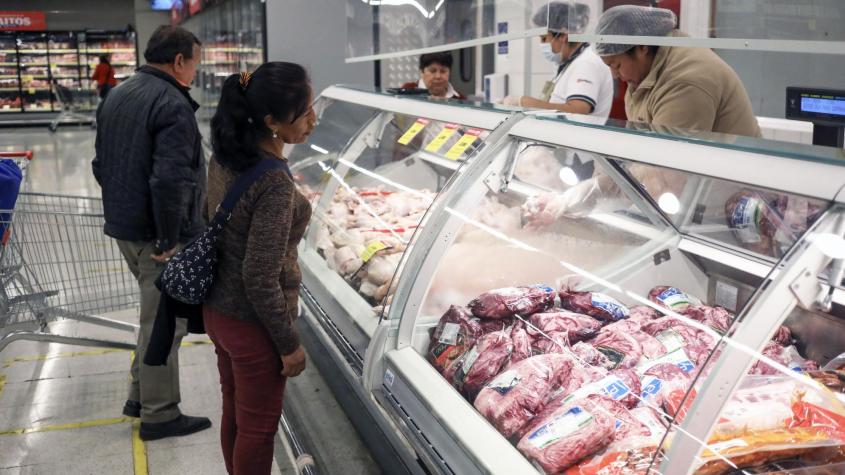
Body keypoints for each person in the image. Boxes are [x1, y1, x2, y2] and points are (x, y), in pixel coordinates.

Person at [92, 25, 210, 441]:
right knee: (164, 324)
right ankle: (159, 415)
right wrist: (168, 237)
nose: (196, 71)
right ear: (179, 61)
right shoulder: (172, 103)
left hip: (126, 227)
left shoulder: (119, 93)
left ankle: (140, 397)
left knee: (151, 319)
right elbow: (170, 180)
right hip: (157, 236)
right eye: (195, 62)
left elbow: (99, 165)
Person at [204, 62, 315, 474]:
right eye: (304, 113)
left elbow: (206, 216)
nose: (313, 121)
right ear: (271, 121)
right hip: (254, 327)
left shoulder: (227, 155)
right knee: (259, 428)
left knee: (235, 409)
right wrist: (289, 344)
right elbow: (260, 274)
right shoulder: (273, 182)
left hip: (218, 312)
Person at [594, 5, 761, 137]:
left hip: (733, 177)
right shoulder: (642, 76)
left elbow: (665, 172)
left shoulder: (685, 80)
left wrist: (611, 179)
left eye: (616, 65)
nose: (614, 75)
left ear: (642, 47)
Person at [502, 2, 614, 119]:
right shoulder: (570, 62)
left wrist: (524, 102)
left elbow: (577, 110)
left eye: (544, 38)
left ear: (562, 36)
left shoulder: (587, 62)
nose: (542, 44)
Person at [401, 52, 467, 100]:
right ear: (422, 72)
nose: (438, 76)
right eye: (432, 71)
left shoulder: (460, 98)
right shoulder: (408, 90)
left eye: (443, 71)